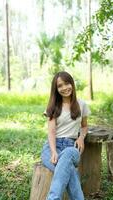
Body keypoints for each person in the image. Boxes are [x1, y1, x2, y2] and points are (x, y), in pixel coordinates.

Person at [41, 71, 91, 200]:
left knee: (68, 153)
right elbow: (51, 132)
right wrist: (53, 152)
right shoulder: (53, 106)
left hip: (71, 147)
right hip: (51, 148)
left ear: (72, 84)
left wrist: (81, 137)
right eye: (60, 86)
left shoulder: (81, 104)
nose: (64, 88)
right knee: (70, 172)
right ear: (56, 89)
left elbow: (84, 126)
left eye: (67, 83)